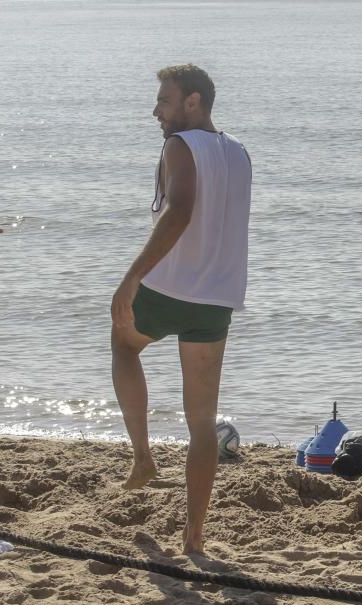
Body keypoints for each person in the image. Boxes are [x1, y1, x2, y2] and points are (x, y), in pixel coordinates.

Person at [111, 64, 252, 555]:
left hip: (169, 286)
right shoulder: (239, 152)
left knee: (124, 344)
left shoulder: (179, 145)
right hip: (217, 299)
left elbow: (180, 210)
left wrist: (131, 278)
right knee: (202, 421)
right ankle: (194, 537)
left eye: (164, 101)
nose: (156, 110)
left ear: (193, 102)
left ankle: (144, 456)